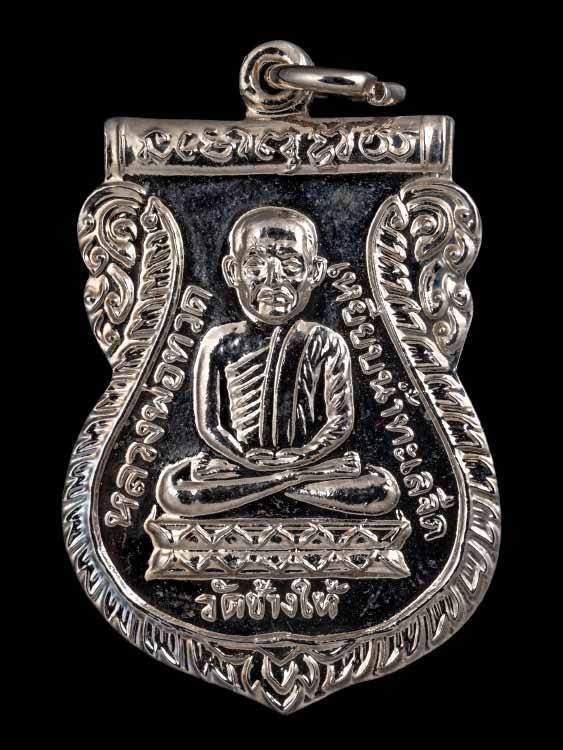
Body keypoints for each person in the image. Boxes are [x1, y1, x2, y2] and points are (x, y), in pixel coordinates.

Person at [156, 206, 399, 517]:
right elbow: (210, 426)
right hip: (240, 465)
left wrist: (304, 455)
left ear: (315, 271)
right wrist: (245, 458)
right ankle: (288, 484)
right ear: (232, 271)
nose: (273, 280)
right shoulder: (219, 342)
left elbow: (340, 421)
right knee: (175, 492)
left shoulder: (326, 340)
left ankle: (269, 486)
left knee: (381, 490)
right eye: (255, 265)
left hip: (308, 464)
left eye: (291, 264)